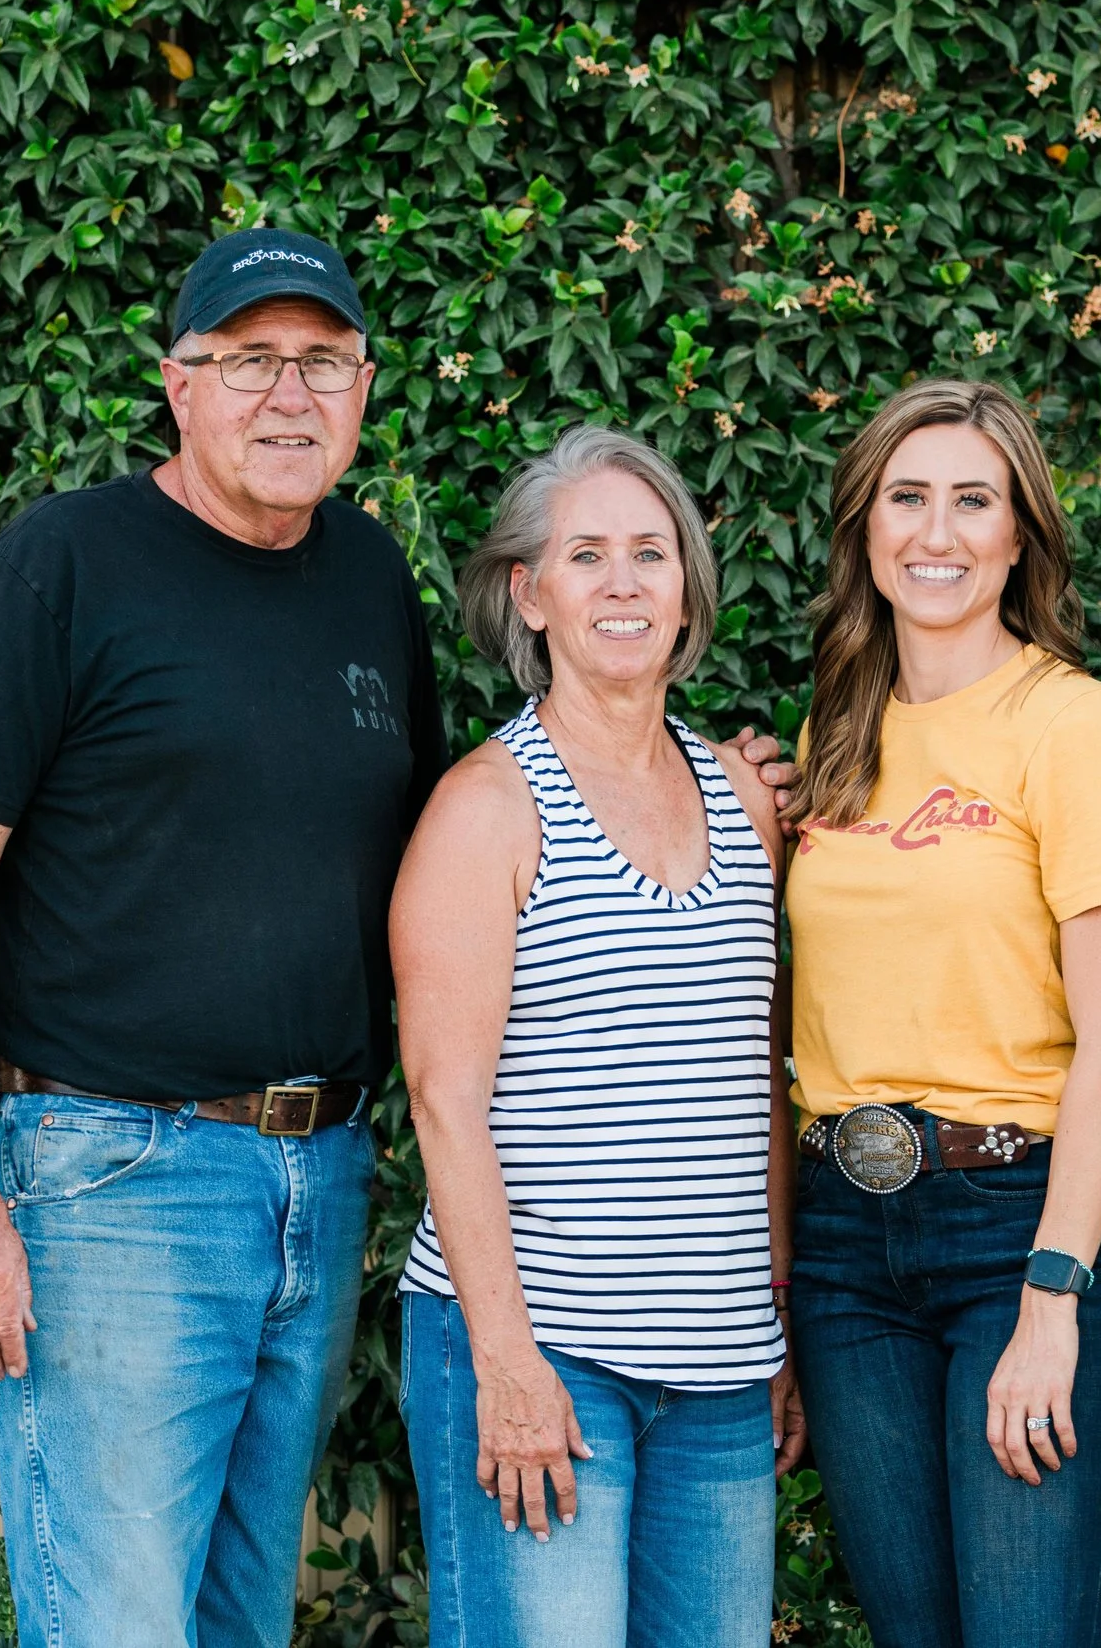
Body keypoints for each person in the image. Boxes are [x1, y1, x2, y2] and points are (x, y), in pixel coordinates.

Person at [0, 231, 795, 1647]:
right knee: (121, 1622)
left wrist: (710, 792)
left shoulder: (366, 575)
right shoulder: (65, 564)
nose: (289, 394)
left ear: (364, 390)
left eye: (322, 362)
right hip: (119, 1176)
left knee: (246, 1614)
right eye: (251, 360)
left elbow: (441, 862)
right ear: (179, 383)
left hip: (318, 1171)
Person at [392, 426, 805, 1648]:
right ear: (531, 594)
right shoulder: (487, 808)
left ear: (687, 587)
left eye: (649, 553)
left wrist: (771, 1314)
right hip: (544, 1351)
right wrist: (506, 1363)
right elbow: (444, 1104)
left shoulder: (744, 796)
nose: (623, 584)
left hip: (720, 1371)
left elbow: (756, 1079)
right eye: (586, 556)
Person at [781, 379, 1101, 1648]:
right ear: (865, 530)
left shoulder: (1073, 727)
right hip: (847, 1247)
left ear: (1018, 537)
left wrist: (1052, 1297)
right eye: (906, 498)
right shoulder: (835, 732)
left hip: (1017, 1228)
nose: (935, 532)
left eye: (971, 501)